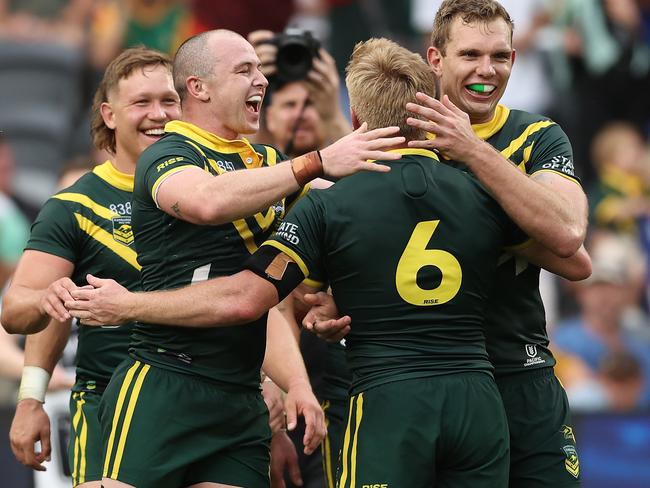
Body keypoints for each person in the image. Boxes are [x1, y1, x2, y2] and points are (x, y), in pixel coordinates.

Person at [65, 37, 590, 487]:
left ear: (357, 115)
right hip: (477, 394)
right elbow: (574, 256)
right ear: (432, 103)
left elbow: (254, 296)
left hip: (385, 395)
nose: (261, 81)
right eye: (245, 69)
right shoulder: (486, 192)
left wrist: (133, 304)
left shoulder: (327, 200)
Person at [53, 29, 404, 488]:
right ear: (198, 87)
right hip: (165, 380)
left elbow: (271, 292)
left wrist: (325, 307)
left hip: (241, 396)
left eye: (260, 70)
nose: (261, 80)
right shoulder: (167, 155)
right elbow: (206, 201)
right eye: (245, 70)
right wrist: (314, 162)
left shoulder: (267, 162)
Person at [401, 1, 589, 486]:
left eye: (500, 57)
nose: (487, 71)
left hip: (521, 371)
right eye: (471, 55)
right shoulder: (397, 136)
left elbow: (569, 235)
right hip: (425, 380)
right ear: (436, 59)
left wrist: (470, 153)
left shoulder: (537, 135)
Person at [1, 47, 181, 488]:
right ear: (110, 114)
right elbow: (19, 308)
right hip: (111, 405)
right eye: (141, 102)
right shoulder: (75, 205)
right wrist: (30, 399)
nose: (158, 114)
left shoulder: (218, 190)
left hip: (220, 404)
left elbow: (252, 297)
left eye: (168, 100)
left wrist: (276, 382)